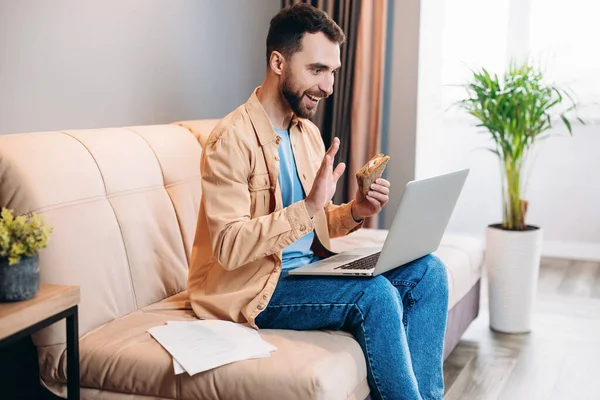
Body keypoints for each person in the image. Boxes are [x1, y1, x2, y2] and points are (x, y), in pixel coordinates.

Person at [188, 3, 449, 400]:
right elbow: (228, 246)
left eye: (332, 72)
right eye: (317, 70)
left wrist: (355, 212)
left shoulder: (306, 133)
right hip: (256, 288)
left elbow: (317, 219)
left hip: (307, 271)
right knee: (375, 295)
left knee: (429, 272)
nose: (328, 87)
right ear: (278, 61)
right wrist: (308, 208)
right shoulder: (230, 141)